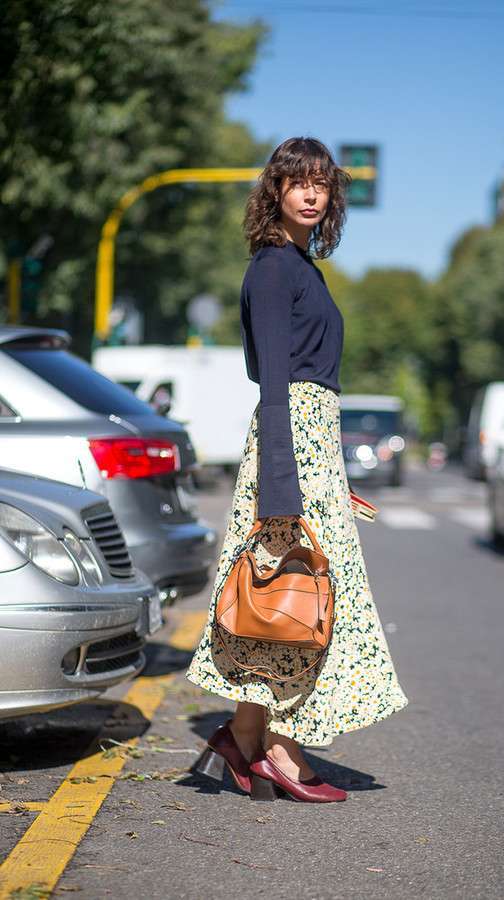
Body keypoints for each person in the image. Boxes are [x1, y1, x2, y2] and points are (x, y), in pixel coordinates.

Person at [186, 136, 408, 803]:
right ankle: (282, 750)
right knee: (303, 596)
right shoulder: (275, 269)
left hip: (310, 443)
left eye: (323, 184)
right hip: (291, 442)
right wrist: (286, 481)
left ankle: (244, 738)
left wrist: (326, 467)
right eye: (298, 182)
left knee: (286, 599)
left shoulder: (299, 267)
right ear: (275, 191)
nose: (312, 193)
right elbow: (272, 381)